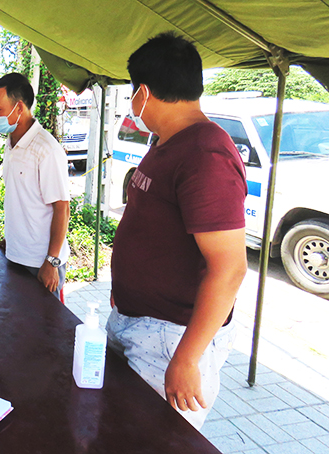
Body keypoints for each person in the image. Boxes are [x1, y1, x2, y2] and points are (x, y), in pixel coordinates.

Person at [107, 32, 248, 429]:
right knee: (117, 431)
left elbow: (230, 268)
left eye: (132, 91)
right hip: (137, 321)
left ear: (143, 93)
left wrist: (186, 358)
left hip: (170, 337)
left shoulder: (206, 154)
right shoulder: (168, 141)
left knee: (154, 440)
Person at [0, 73, 70, 300]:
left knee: (43, 331)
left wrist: (51, 261)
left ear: (19, 107)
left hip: (41, 263)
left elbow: (62, 208)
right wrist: (13, 238)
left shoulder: (46, 149)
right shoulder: (11, 142)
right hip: (16, 256)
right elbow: (22, 196)